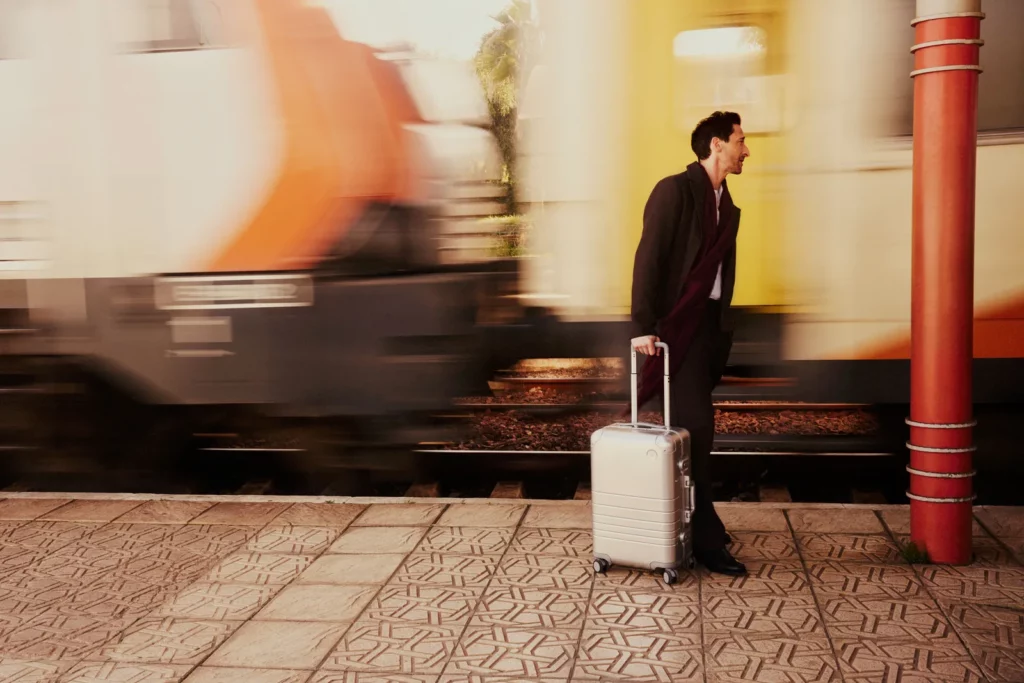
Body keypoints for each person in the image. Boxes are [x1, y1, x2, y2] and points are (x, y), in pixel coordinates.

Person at [629, 111, 750, 576]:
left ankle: (686, 524)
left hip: (705, 331)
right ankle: (706, 539)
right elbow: (650, 257)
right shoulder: (674, 191)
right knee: (697, 431)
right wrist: (643, 326)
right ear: (717, 145)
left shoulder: (725, 202)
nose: (746, 150)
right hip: (675, 331)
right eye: (740, 140)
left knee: (694, 433)